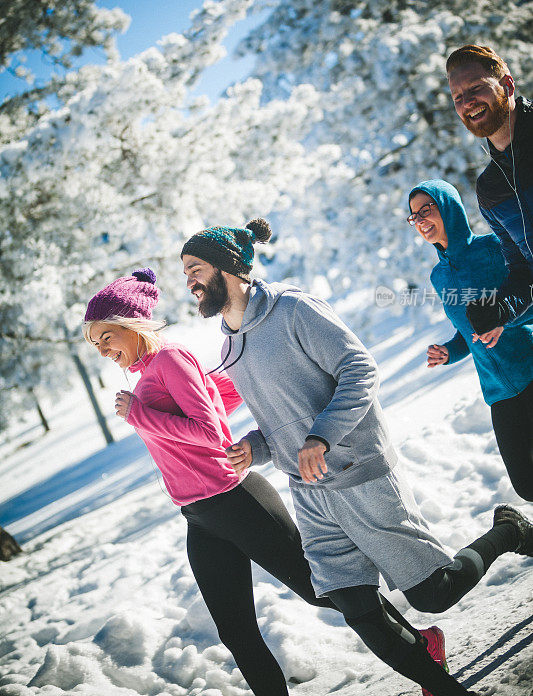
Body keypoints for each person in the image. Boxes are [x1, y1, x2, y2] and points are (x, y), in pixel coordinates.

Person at [181, 218, 533, 696]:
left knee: (434, 592)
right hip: (309, 494)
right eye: (185, 273)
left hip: (359, 474)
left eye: (195, 268)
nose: (189, 282)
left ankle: (510, 530)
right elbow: (285, 414)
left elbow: (360, 370)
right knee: (354, 605)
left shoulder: (293, 309)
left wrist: (322, 438)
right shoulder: (229, 344)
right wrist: (256, 447)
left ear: (227, 268)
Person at [82, 266, 429, 696]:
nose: (101, 349)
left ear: (131, 326)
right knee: (237, 634)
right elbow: (218, 396)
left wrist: (141, 415)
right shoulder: (149, 373)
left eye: (106, 337)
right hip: (199, 517)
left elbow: (210, 435)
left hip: (237, 500)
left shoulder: (170, 358)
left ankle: (422, 647)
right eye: (94, 344)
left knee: (325, 593)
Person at [407, 179, 533, 501]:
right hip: (498, 391)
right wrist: (449, 351)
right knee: (525, 483)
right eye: (414, 216)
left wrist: (504, 320)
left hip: (529, 368)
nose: (420, 221)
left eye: (426, 209)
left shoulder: (494, 248)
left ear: (448, 207)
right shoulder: (439, 277)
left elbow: (527, 298)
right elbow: (468, 333)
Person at [446, 44, 533, 346]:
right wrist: (500, 308)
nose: (467, 102)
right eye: (458, 97)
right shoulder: (490, 189)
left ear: (507, 85)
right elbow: (524, 271)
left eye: (475, 88)